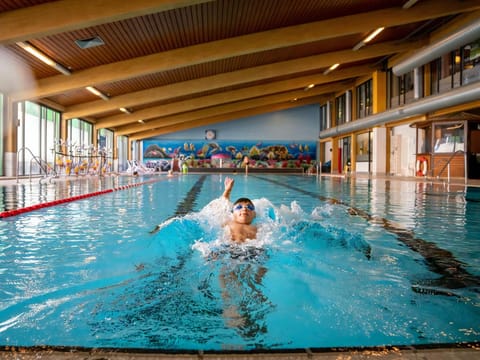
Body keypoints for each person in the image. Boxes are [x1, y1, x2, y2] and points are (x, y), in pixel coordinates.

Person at [222, 176, 257, 242]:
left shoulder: (258, 227)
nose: (244, 208)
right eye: (239, 207)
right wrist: (227, 190)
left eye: (249, 207)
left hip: (253, 249)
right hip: (228, 247)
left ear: (254, 214)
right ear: (232, 213)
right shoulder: (228, 222)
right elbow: (223, 203)